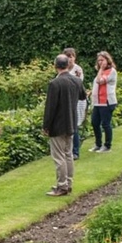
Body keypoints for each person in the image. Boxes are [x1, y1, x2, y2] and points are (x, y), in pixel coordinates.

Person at [42, 53, 85, 196]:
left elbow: (50, 107)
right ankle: (68, 183)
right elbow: (83, 96)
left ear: (55, 66)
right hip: (71, 123)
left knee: (59, 156)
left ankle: (61, 186)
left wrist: (46, 126)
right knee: (68, 155)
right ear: (68, 65)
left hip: (58, 125)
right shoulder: (77, 81)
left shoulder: (55, 83)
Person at [89, 51, 118, 153]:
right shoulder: (101, 71)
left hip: (107, 101)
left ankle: (107, 146)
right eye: (99, 61)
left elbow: (99, 81)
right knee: (94, 123)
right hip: (98, 102)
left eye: (102, 60)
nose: (100, 62)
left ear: (107, 60)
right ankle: (98, 144)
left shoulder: (111, 71)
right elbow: (97, 85)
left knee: (106, 124)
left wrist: (101, 69)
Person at [64, 47, 87, 160]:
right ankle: (67, 149)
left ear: (74, 57)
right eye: (67, 57)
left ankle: (75, 151)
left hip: (77, 101)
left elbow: (77, 84)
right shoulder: (63, 69)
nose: (69, 59)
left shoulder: (78, 70)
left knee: (75, 125)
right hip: (66, 101)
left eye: (71, 56)